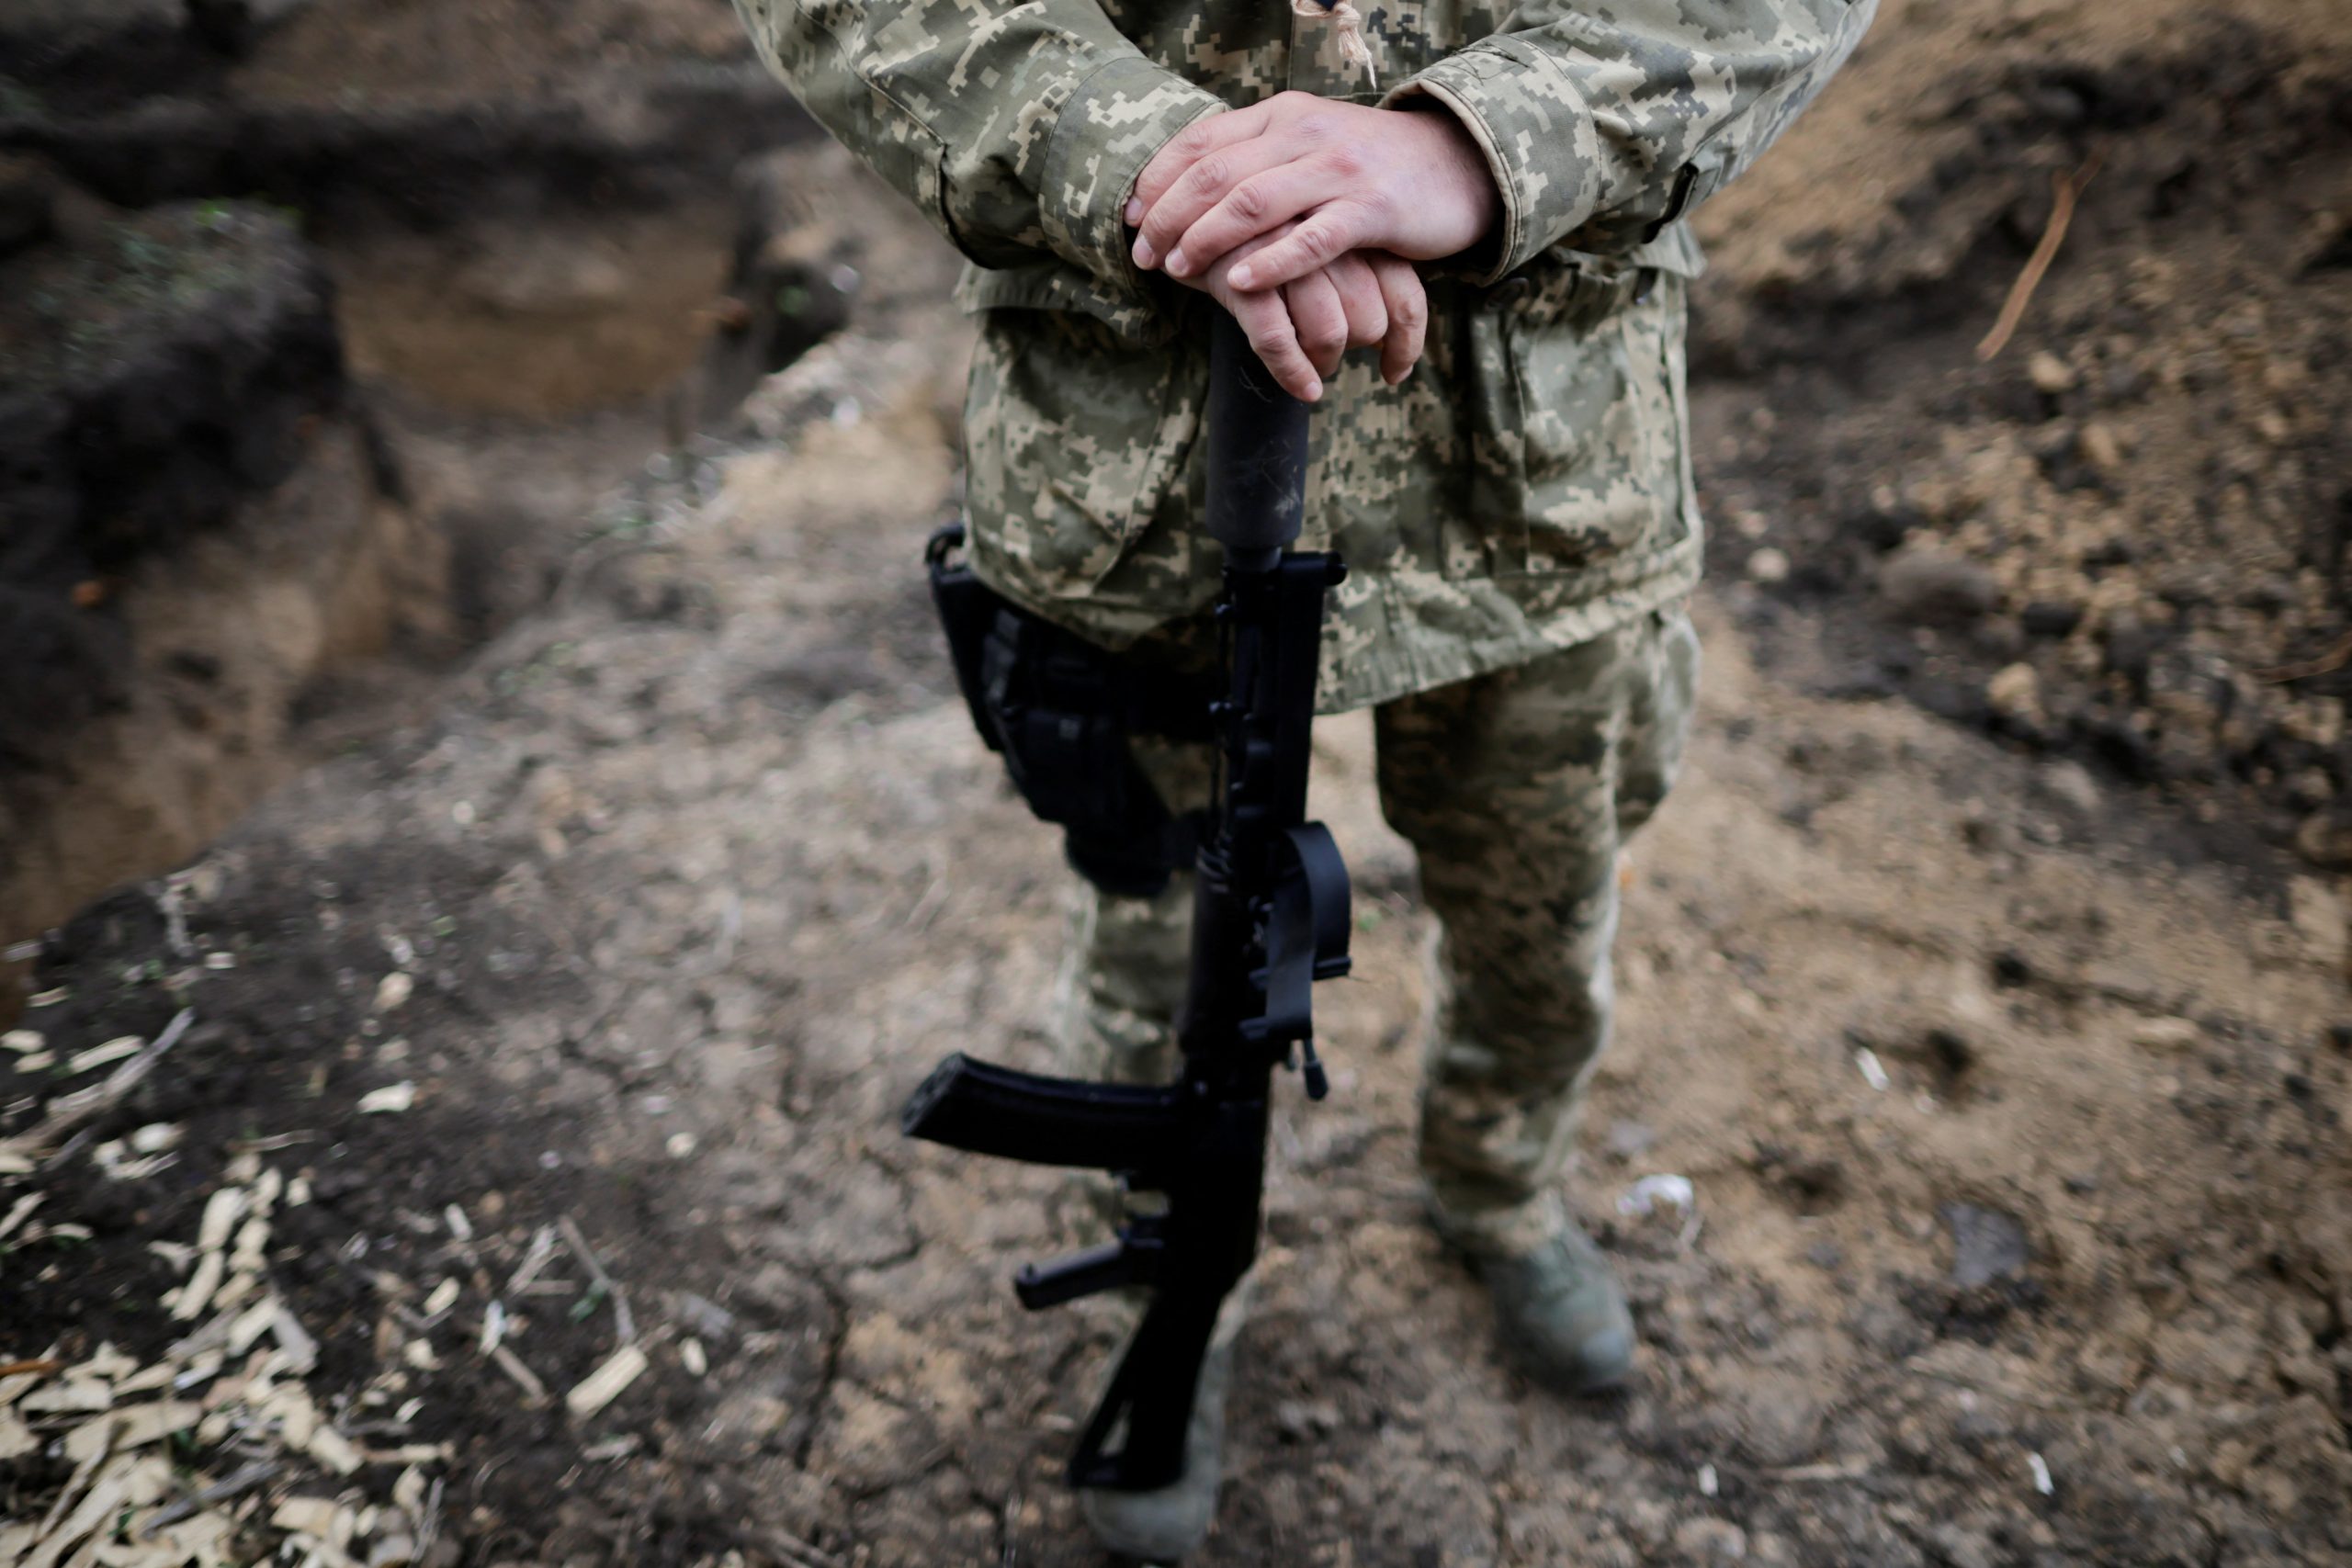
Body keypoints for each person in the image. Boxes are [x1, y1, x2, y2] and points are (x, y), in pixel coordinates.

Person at [730, 0, 1876, 1555]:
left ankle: (1498, 1191)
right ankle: (1177, 1287)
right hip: (1139, 468)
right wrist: (1167, 166)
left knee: (1542, 920)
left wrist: (1485, 139)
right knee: (1159, 957)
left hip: (1550, 467)